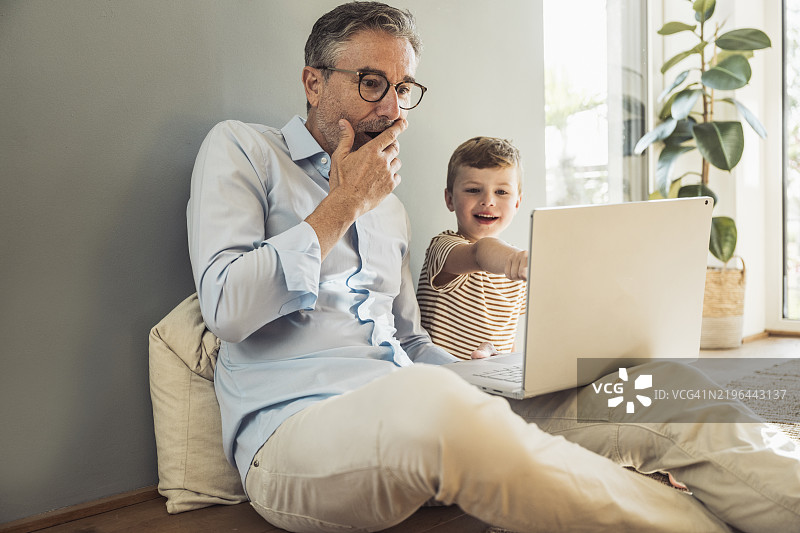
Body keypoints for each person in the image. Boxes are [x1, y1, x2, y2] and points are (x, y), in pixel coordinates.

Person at [187, 2, 800, 532]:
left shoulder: (390, 209)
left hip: (422, 404)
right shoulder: (243, 149)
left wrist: (506, 379)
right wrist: (346, 203)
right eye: (372, 82)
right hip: (296, 439)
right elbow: (227, 308)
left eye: (404, 89)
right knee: (432, 400)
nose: (391, 108)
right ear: (313, 82)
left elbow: (407, 341)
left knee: (661, 389)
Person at [417, 136, 528, 360]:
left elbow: (508, 336)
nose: (488, 200)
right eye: (473, 190)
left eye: (501, 192)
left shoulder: (517, 268)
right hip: (442, 377)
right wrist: (517, 260)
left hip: (490, 379)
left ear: (517, 203)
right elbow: (480, 252)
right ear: (449, 199)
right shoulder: (444, 247)